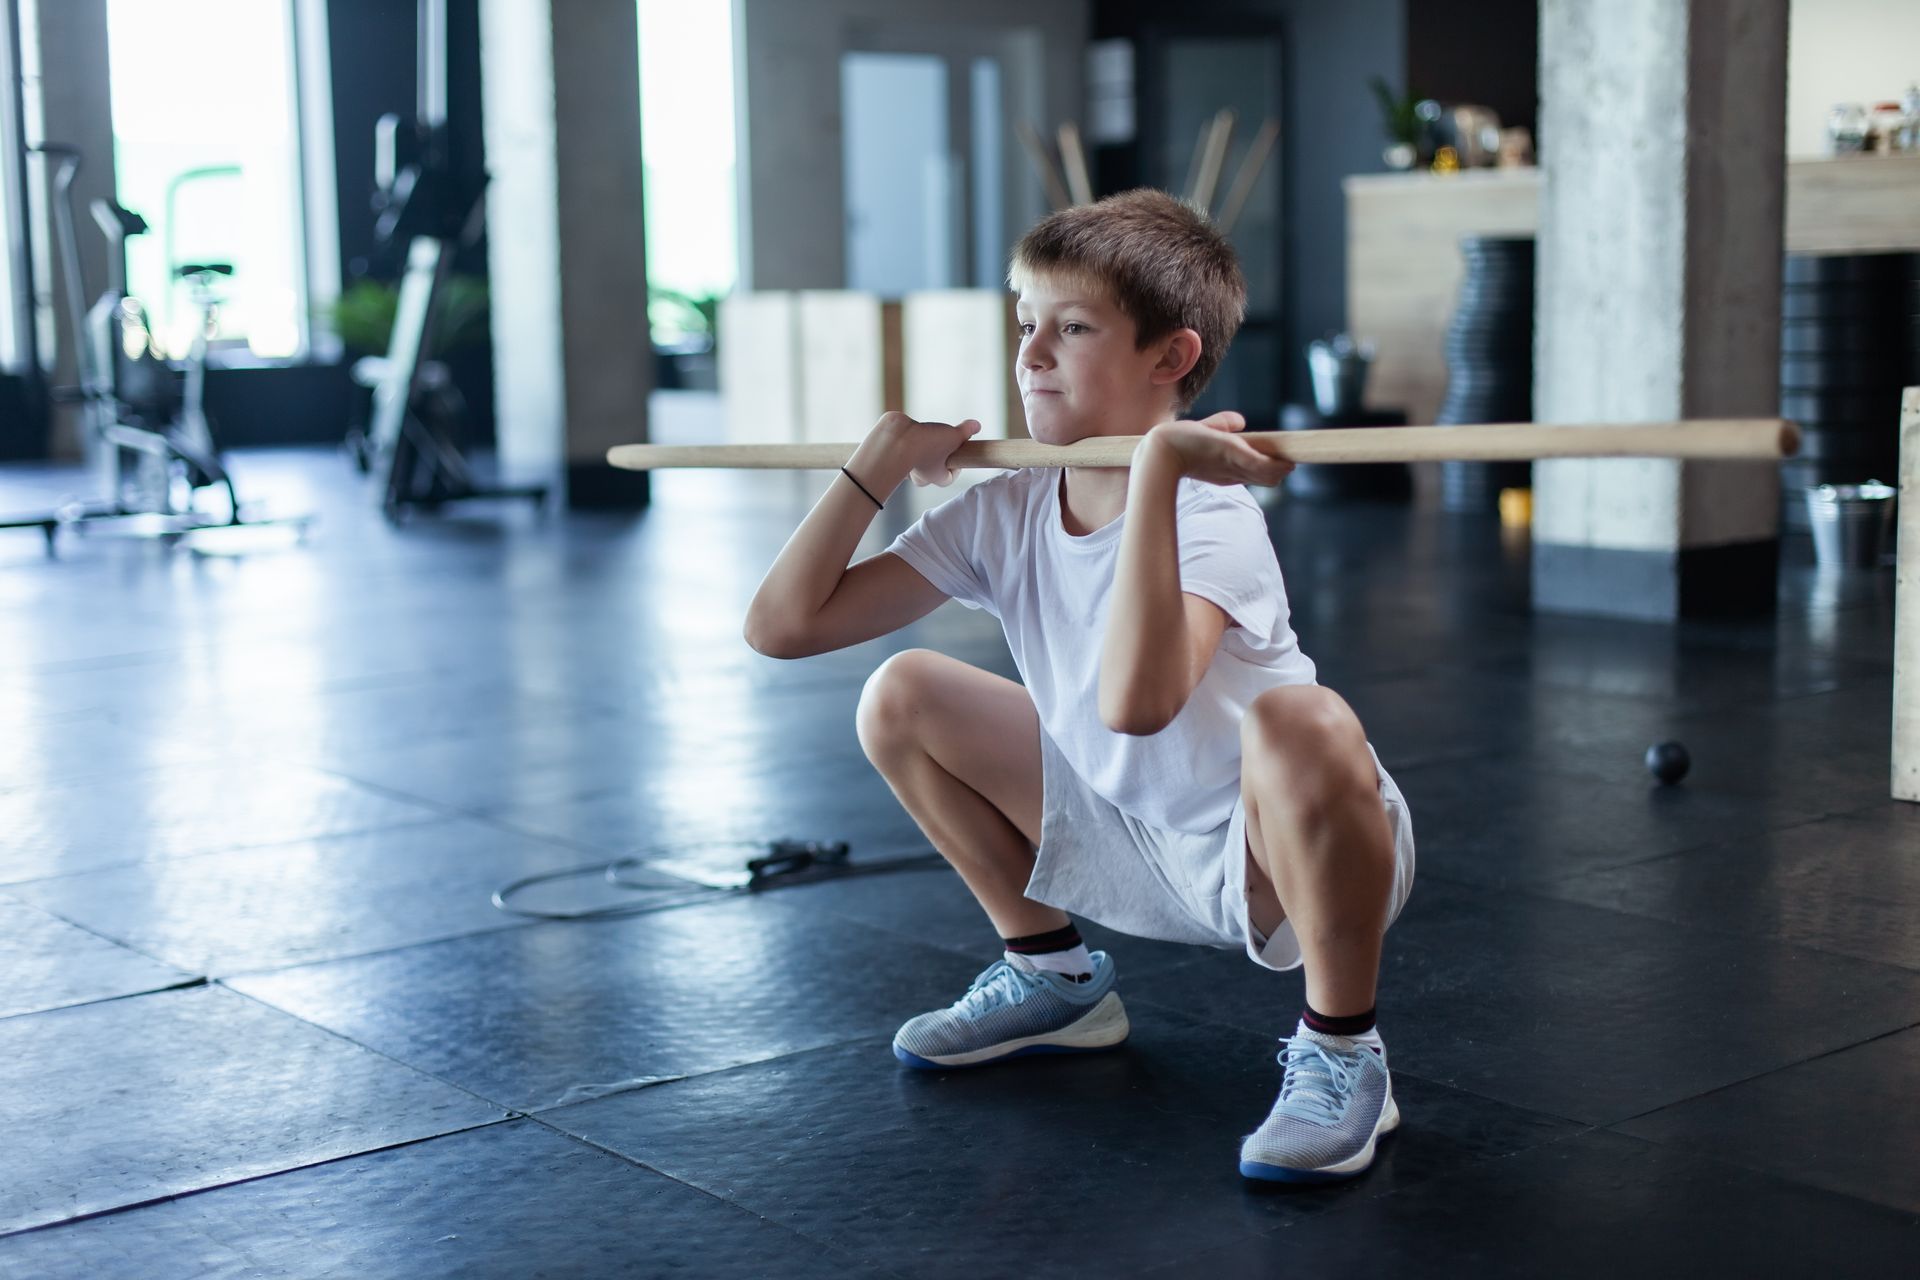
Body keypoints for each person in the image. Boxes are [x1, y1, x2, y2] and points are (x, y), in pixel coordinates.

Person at [743, 188, 1416, 1184]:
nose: (1031, 354)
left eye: (1071, 327)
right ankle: (1053, 977)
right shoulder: (1006, 509)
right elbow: (783, 626)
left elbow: (1138, 702)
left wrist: (1160, 478)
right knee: (902, 693)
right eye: (1025, 323)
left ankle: (1345, 1051)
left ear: (1172, 358)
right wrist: (872, 465)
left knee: (1302, 718)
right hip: (1124, 820)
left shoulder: (1213, 511)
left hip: (1277, 851)